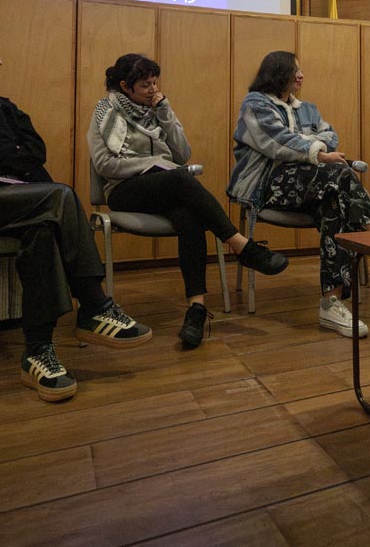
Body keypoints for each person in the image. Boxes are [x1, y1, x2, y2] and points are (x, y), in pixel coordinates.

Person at [0, 28, 151, 404]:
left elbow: (33, 152)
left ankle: (38, 352)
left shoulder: (3, 108)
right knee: (59, 196)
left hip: (14, 199)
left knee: (41, 225)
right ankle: (94, 305)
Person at [89, 53, 289, 349]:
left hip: (165, 186)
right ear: (124, 86)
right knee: (183, 178)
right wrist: (152, 163)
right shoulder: (106, 112)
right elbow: (105, 165)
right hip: (124, 190)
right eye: (146, 85)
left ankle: (196, 309)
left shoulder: (157, 108)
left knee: (189, 216)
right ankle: (240, 245)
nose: (154, 90)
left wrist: (165, 111)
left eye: (155, 83)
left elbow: (182, 154)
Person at [229, 51, 370, 338]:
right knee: (340, 172)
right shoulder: (255, 104)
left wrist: (311, 148)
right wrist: (317, 153)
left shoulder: (307, 108)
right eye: (294, 70)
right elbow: (276, 141)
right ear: (277, 73)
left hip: (314, 185)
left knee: (334, 203)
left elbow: (331, 135)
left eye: (300, 70)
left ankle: (331, 303)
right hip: (266, 184)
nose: (301, 76)